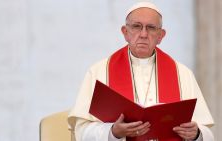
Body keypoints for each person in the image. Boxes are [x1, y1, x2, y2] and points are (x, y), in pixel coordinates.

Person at [68, 1, 214, 141]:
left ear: (161, 36)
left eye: (151, 28)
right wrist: (112, 132)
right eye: (137, 26)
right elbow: (82, 132)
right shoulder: (99, 72)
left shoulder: (183, 74)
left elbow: (207, 133)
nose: (143, 34)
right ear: (125, 32)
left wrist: (196, 134)